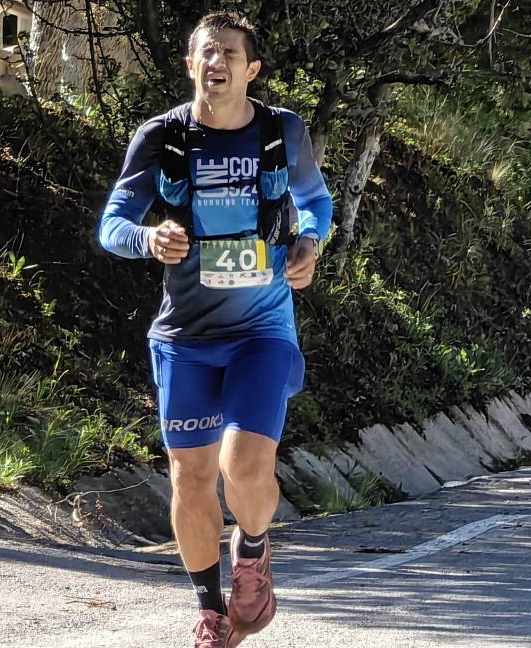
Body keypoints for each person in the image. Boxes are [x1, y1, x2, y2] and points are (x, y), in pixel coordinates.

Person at [97, 12, 332, 648]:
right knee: (190, 477)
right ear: (191, 64)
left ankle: (252, 554)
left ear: (251, 69)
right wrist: (148, 237)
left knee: (243, 465)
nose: (216, 60)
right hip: (184, 338)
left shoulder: (283, 131)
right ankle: (210, 610)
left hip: (262, 328)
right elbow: (111, 225)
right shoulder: (163, 137)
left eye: (229, 51)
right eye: (206, 51)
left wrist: (310, 241)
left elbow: (316, 202)